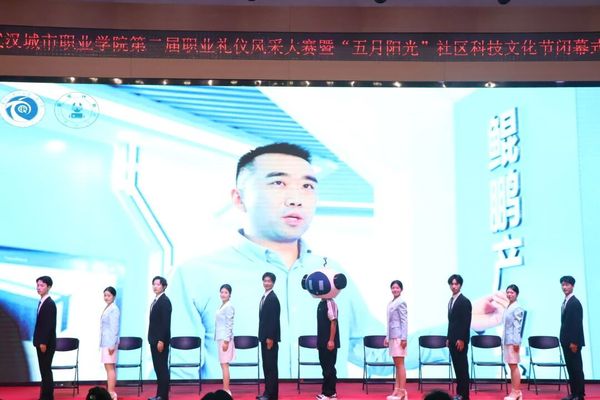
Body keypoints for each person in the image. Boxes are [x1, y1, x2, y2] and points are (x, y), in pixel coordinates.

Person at [168, 142, 380, 379]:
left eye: (307, 186)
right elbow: (175, 377)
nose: (296, 199)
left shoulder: (331, 273)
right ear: (239, 198)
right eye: (278, 183)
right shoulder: (195, 275)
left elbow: (373, 350)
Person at [559, 276, 585, 400]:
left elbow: (576, 324)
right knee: (570, 368)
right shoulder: (566, 301)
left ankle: (579, 395)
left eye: (567, 284)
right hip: (566, 341)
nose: (564, 287)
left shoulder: (574, 302)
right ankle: (573, 393)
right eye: (563, 285)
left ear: (572, 286)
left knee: (576, 368)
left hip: (573, 343)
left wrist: (574, 342)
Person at [446, 274, 471, 400]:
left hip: (460, 341)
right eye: (452, 284)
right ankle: (459, 393)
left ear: (460, 285)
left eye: (456, 284)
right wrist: (448, 337)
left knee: (462, 369)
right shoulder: (451, 300)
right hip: (452, 340)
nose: (454, 286)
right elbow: (452, 322)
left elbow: (466, 322)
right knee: (457, 368)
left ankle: (465, 396)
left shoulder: (464, 301)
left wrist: (461, 339)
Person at [257, 272, 281, 400]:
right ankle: (267, 393)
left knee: (271, 367)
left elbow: (273, 320)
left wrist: (270, 338)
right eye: (265, 281)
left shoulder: (272, 298)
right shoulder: (265, 297)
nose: (266, 283)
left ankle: (271, 395)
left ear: (273, 283)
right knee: (266, 366)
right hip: (264, 337)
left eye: (269, 281)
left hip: (269, 339)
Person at [148, 276, 172, 400]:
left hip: (160, 341)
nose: (155, 286)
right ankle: (159, 395)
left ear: (164, 286)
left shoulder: (165, 301)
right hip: (153, 339)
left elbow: (165, 323)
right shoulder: (156, 300)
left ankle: (163, 396)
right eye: (154, 284)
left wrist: (161, 340)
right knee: (158, 368)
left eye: (158, 284)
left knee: (162, 368)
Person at [383, 280, 408, 400]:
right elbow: (389, 322)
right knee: (397, 365)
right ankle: (397, 390)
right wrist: (387, 337)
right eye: (393, 287)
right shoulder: (391, 302)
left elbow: (404, 321)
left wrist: (404, 338)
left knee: (400, 364)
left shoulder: (401, 302)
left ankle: (402, 391)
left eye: (397, 288)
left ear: (401, 289)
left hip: (399, 337)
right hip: (393, 336)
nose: (395, 290)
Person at [34, 275, 57, 400]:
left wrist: (43, 342)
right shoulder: (42, 302)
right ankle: (45, 396)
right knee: (44, 371)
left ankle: (47, 397)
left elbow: (48, 325)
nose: (39, 287)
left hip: (46, 343)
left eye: (42, 285)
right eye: (38, 285)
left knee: (46, 370)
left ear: (49, 287)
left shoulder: (49, 303)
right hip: (40, 342)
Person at [502, 284, 524, 400]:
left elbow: (517, 326)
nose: (509, 294)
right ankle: (515, 391)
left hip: (513, 341)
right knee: (511, 366)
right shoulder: (508, 306)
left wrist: (516, 342)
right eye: (508, 292)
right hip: (507, 340)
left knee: (514, 366)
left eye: (512, 292)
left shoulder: (517, 307)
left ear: (517, 294)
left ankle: (516, 392)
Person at [100, 286, 120, 400]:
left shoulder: (114, 309)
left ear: (114, 296)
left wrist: (112, 344)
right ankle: (111, 393)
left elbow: (114, 328)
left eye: (109, 295)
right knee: (109, 367)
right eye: (105, 295)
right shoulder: (109, 307)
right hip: (106, 342)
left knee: (110, 368)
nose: (106, 297)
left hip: (110, 343)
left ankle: (112, 393)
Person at [215, 284, 235, 396]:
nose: (223, 294)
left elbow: (229, 324)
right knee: (223, 364)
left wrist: (226, 341)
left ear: (230, 294)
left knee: (224, 364)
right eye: (221, 292)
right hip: (221, 338)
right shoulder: (223, 305)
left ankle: (226, 390)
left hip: (225, 339)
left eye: (226, 292)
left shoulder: (229, 306)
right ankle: (225, 389)